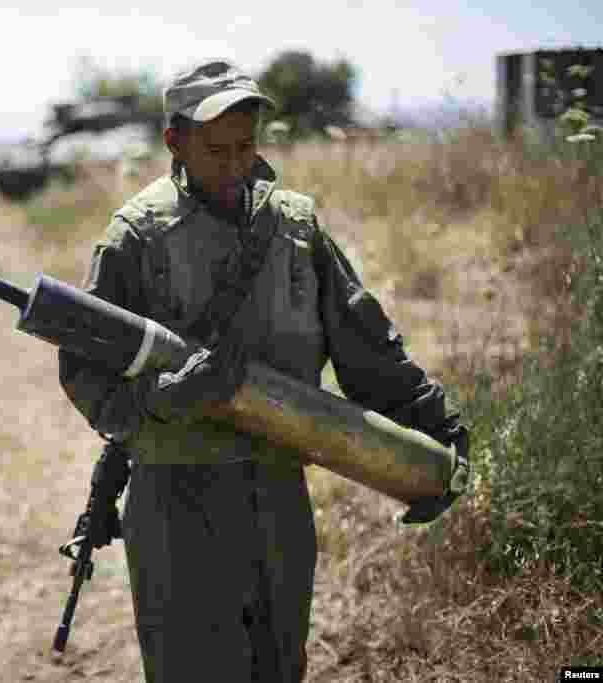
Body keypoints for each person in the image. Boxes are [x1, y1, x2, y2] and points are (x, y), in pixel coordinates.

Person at [58, 59, 469, 683]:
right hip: (177, 504)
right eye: (215, 149)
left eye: (245, 147)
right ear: (173, 141)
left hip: (278, 498)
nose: (233, 165)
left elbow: (368, 349)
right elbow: (85, 373)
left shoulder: (296, 227)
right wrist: (167, 397)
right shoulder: (135, 238)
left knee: (278, 668)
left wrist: (436, 426)